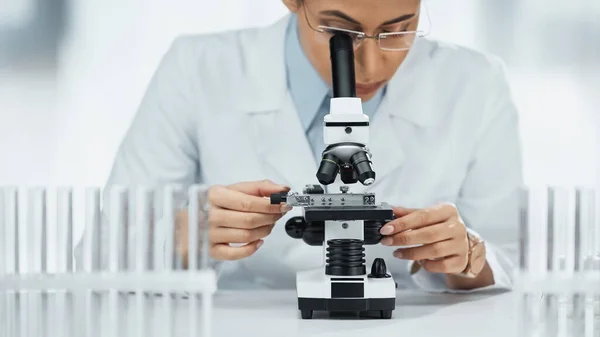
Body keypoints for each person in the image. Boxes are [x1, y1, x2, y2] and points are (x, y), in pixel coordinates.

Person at [75, 0, 523, 292]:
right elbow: (94, 264)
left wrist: (466, 258)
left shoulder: (476, 83)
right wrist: (185, 233)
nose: (369, 64)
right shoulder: (197, 69)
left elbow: (512, 265)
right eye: (338, 31)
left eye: (397, 31)